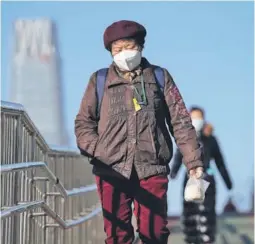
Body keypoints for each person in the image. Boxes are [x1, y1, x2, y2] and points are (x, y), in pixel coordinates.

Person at [75, 20, 204, 244]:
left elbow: (180, 121)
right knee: (117, 236)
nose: (124, 53)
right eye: (118, 49)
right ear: (110, 52)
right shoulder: (99, 80)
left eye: (129, 47)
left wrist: (194, 162)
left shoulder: (159, 77)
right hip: (111, 170)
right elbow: (83, 124)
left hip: (152, 168)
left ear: (141, 47)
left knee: (154, 233)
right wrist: (99, 151)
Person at [170, 106, 233, 244]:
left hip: (207, 179)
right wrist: (173, 172)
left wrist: (228, 182)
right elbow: (178, 157)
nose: (196, 120)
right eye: (193, 117)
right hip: (190, 180)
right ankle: (192, 240)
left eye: (198, 117)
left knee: (207, 215)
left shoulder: (210, 139)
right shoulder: (185, 138)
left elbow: (220, 162)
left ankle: (207, 240)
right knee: (190, 215)